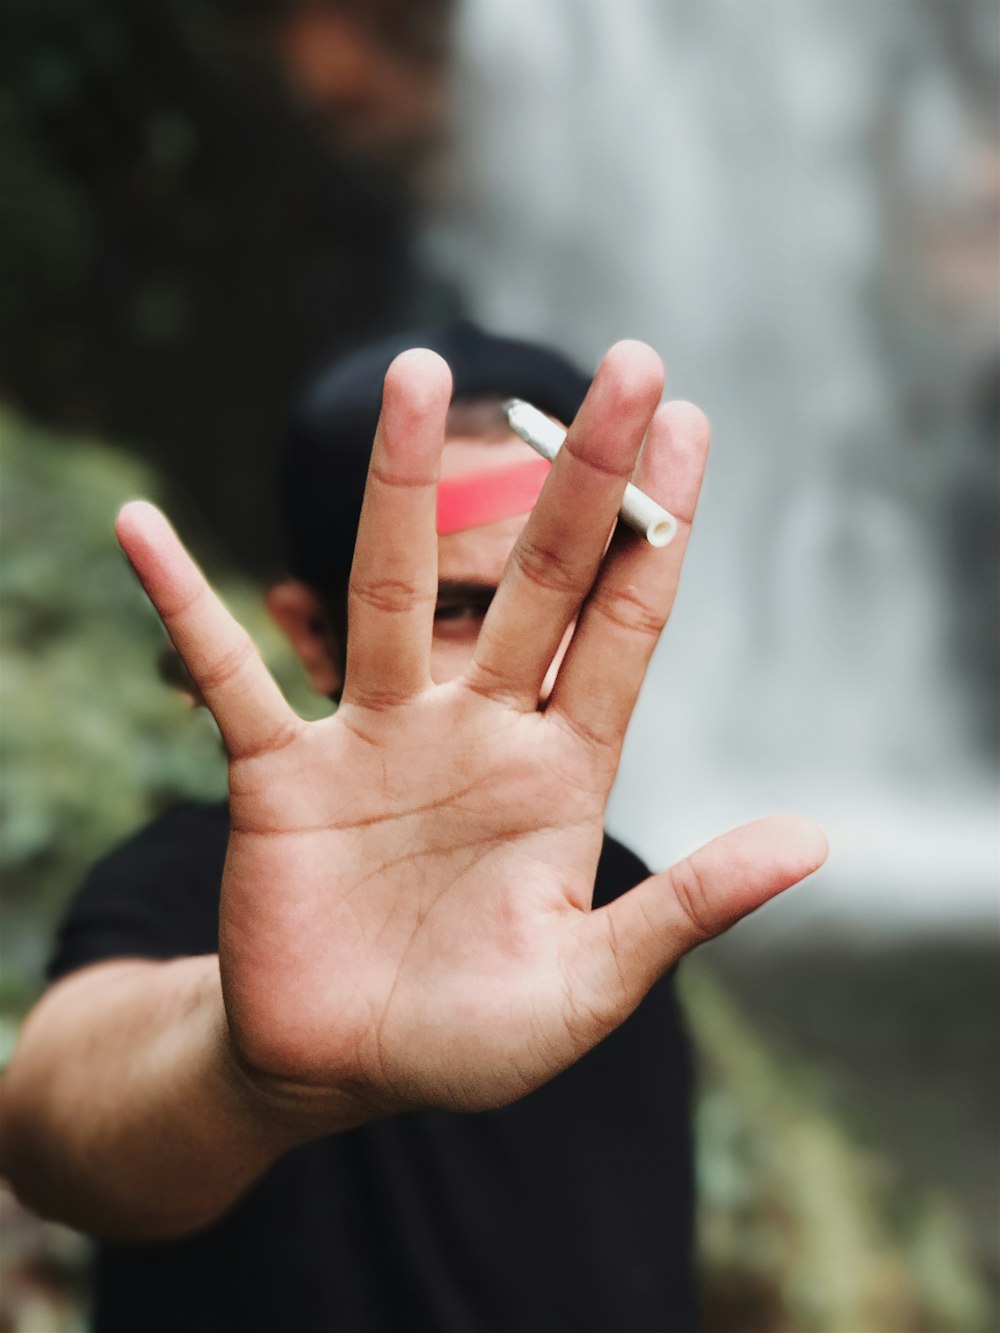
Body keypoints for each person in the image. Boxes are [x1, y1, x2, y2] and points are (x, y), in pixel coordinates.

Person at [0, 325, 827, 1332]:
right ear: (311, 634)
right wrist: (246, 1076)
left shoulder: (622, 897)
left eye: (579, 591)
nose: (542, 654)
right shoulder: (191, 879)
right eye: (464, 605)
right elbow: (51, 1123)